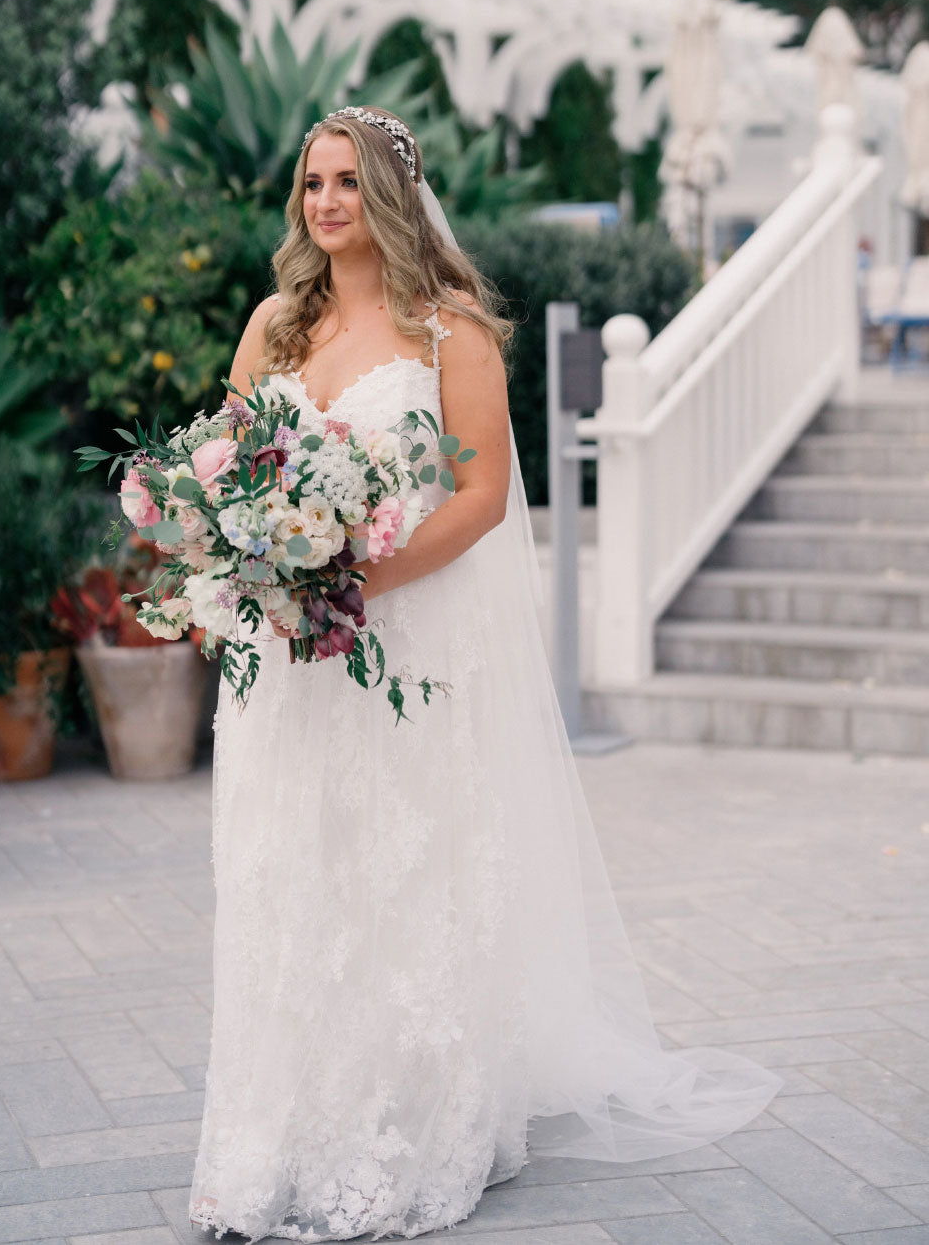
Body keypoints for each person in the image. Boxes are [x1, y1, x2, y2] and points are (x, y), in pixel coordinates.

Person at [190, 106, 780, 1241]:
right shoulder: (274, 324)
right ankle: (263, 1139)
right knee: (286, 877)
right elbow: (233, 465)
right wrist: (250, 558)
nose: (325, 204)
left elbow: (479, 499)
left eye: (348, 184)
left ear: (392, 198)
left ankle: (404, 1130)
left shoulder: (450, 330)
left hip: (399, 645)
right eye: (313, 184)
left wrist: (353, 584)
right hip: (284, 664)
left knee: (396, 875)